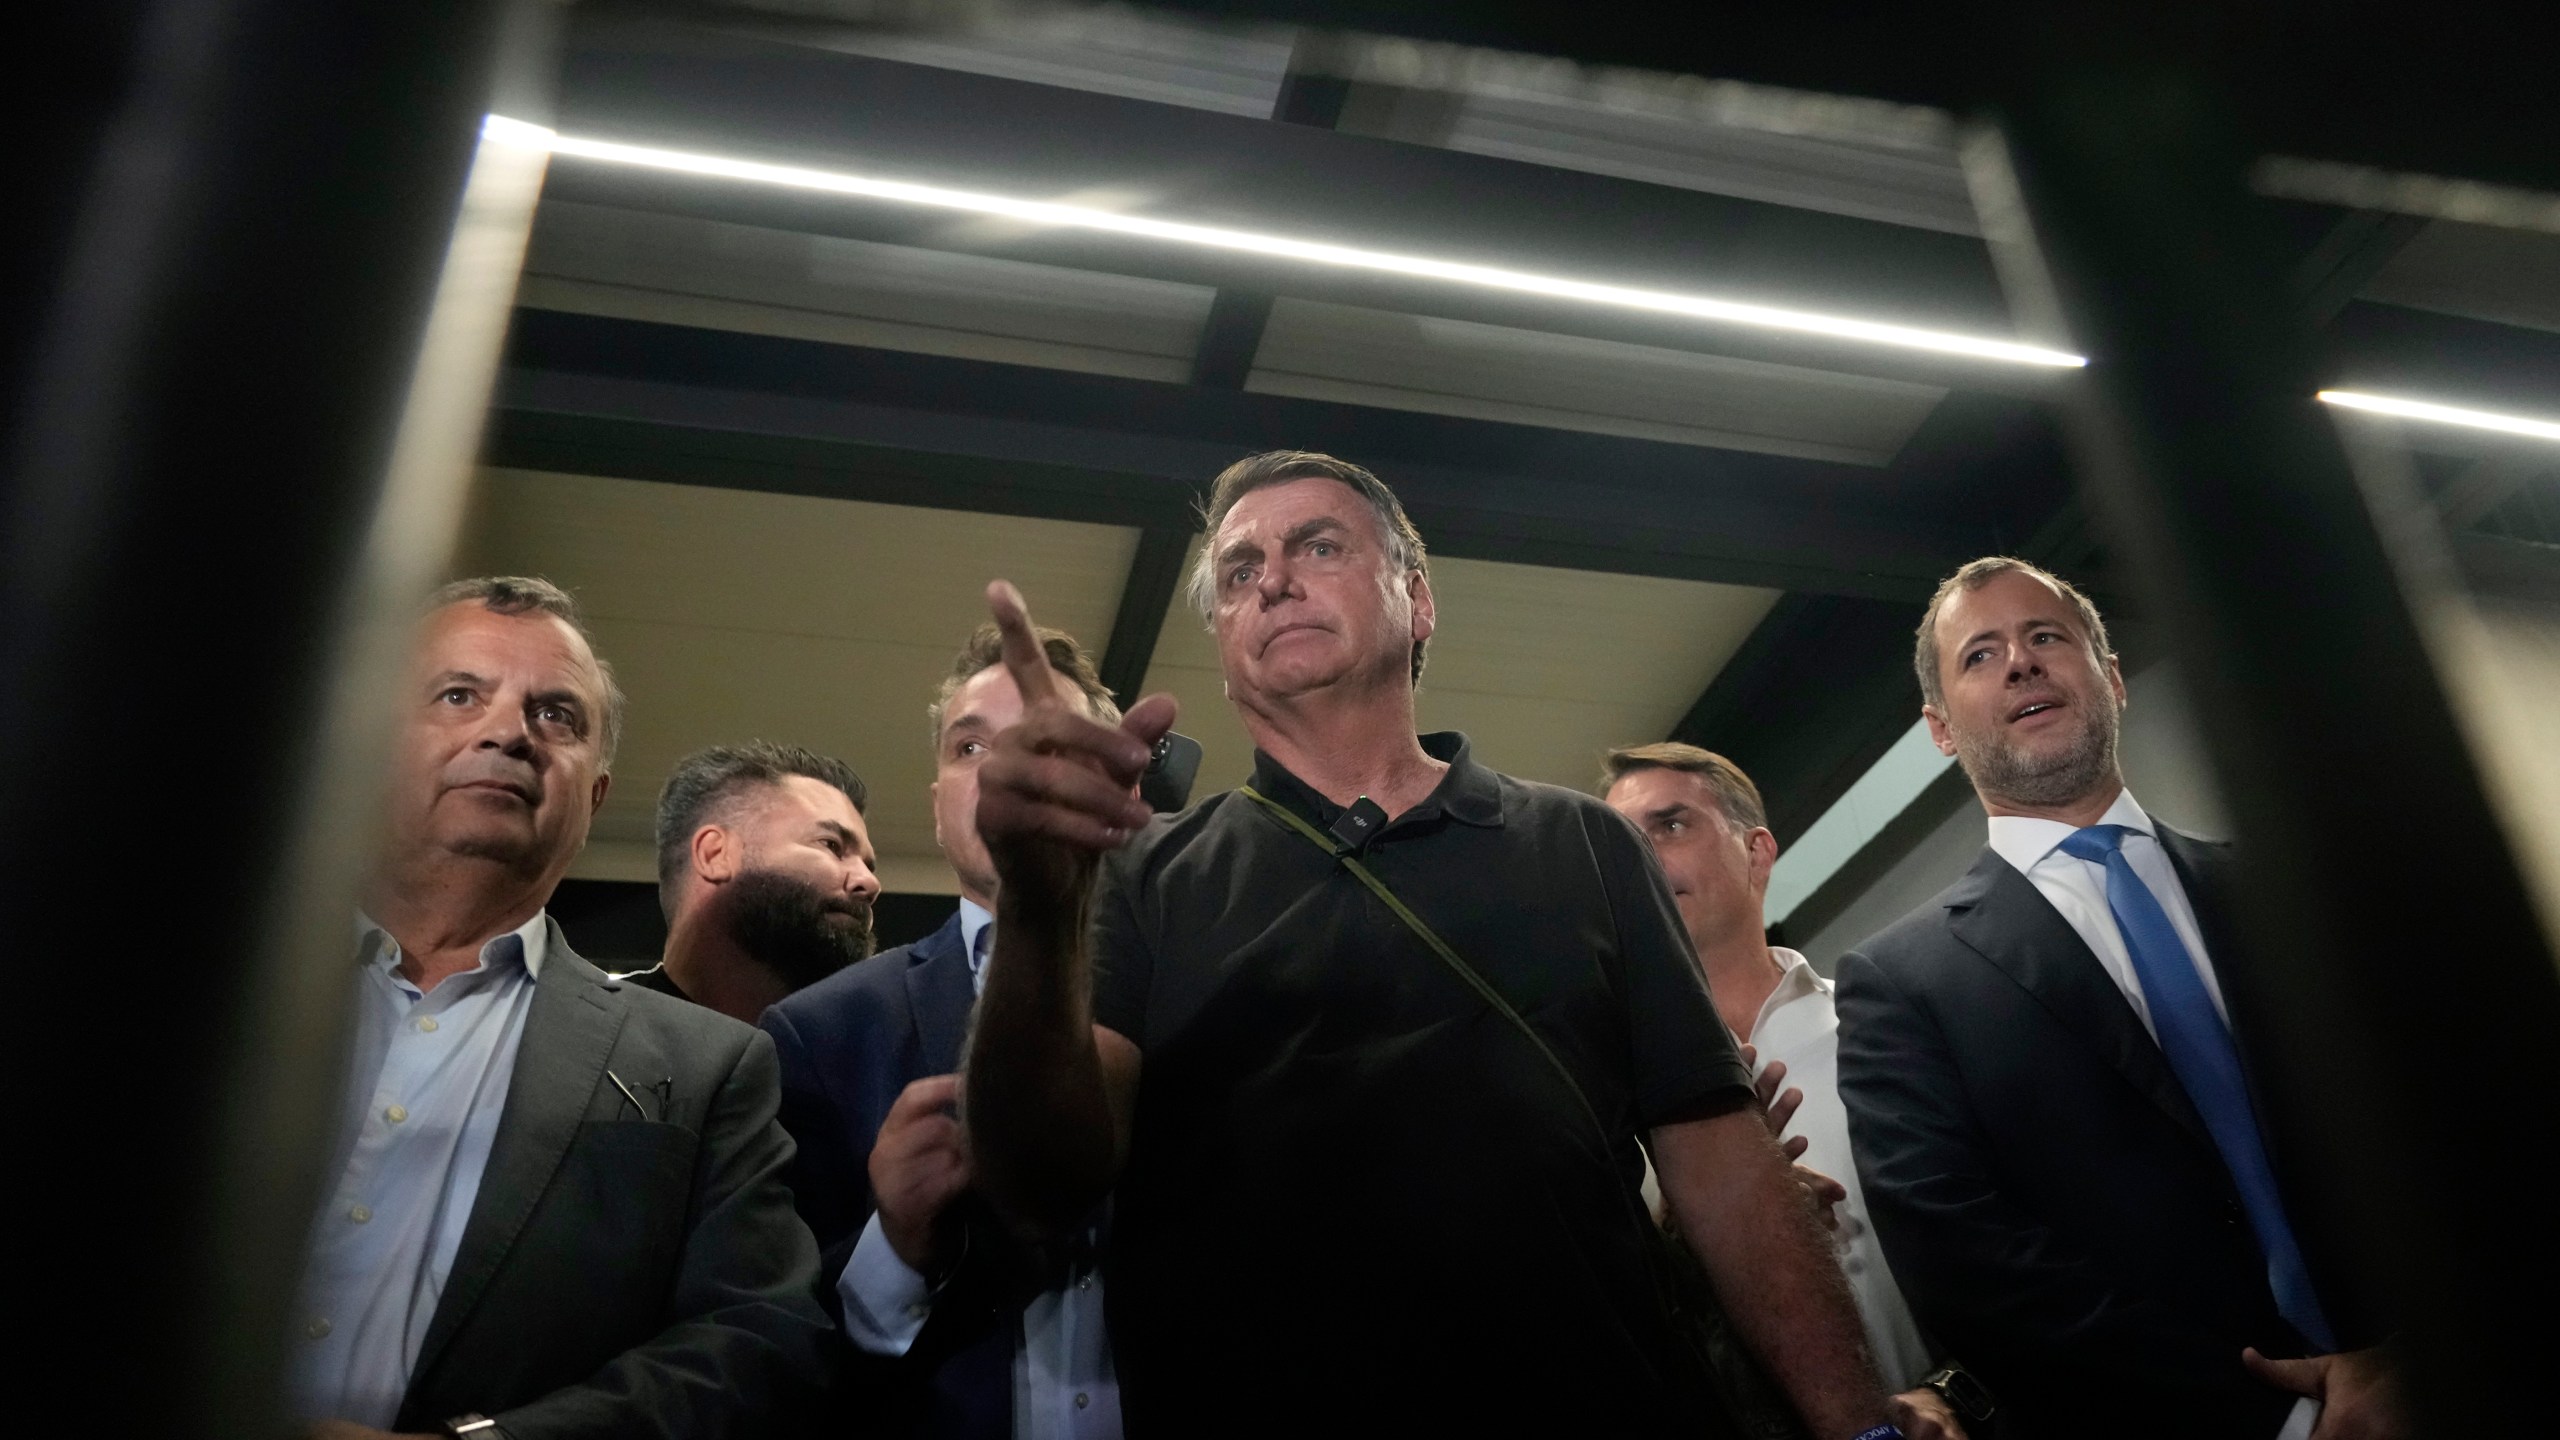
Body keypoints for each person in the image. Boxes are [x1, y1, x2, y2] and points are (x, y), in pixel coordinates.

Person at [960, 450, 1919, 1438]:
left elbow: (1722, 1166)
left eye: (1317, 545)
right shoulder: (1144, 876)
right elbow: (1043, 1178)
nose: (1274, 580)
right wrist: (1036, 902)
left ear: (1418, 601)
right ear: (1224, 641)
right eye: (1240, 571)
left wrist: (1861, 1427)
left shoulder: (1582, 843)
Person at [1833, 557, 2404, 1440]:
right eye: (1980, 655)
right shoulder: (1900, 985)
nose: (2021, 661)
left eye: (2046, 636)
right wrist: (2280, 1417)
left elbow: (2439, 1122)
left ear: (2111, 678)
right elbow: (1971, 1267)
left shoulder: (2289, 891)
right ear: (1940, 730)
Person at [291, 576, 830, 1440]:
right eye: (459, 694)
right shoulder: (197, 993)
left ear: (596, 795)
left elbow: (757, 1339)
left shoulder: (704, 1066)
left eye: (556, 716)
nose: (508, 732)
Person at [761, 625, 1127, 1440]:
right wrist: (892, 1245)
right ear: (936, 808)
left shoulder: (1197, 996)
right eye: (970, 747)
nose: (1003, 770)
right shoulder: (822, 1033)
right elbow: (771, 1351)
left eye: (1042, 741)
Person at [1602, 742, 1977, 1433]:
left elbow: (1992, 1242)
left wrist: (1952, 1391)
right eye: (1622, 844)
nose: (1641, 857)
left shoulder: (1882, 1028)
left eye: (1671, 825)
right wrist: (1705, 1226)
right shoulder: (1604, 1111)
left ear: (1758, 852)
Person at [623, 741, 882, 1023]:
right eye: (831, 844)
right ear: (715, 855)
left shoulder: (871, 1058)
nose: (870, 883)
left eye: (868, 865)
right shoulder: (585, 1037)